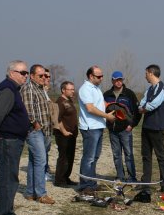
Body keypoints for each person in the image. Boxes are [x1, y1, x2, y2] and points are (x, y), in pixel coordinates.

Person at [0, 61, 31, 215]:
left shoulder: (13, 89)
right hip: (7, 141)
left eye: (26, 73)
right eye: (22, 72)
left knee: (10, 177)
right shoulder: (7, 89)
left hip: (11, 140)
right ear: (12, 73)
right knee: (7, 178)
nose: (25, 76)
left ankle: (7, 213)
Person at [77, 65, 116, 196]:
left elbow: (101, 104)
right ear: (90, 76)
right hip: (90, 128)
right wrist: (107, 116)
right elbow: (90, 108)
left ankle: (92, 184)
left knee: (95, 157)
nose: (101, 78)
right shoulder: (85, 89)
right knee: (88, 158)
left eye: (102, 76)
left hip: (98, 126)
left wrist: (116, 107)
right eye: (99, 76)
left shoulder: (96, 88)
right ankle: (85, 185)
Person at [20, 64, 55, 204]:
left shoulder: (40, 89)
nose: (43, 78)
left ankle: (30, 192)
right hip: (34, 131)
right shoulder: (28, 88)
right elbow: (27, 110)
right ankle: (41, 194)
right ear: (32, 76)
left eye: (45, 75)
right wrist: (35, 123)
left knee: (34, 161)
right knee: (41, 160)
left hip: (44, 130)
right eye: (40, 76)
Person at [103, 71, 142, 182]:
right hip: (113, 130)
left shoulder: (129, 94)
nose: (119, 82)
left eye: (120, 79)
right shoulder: (106, 95)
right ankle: (120, 176)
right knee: (116, 155)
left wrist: (132, 125)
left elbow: (137, 112)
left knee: (128, 154)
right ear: (112, 80)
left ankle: (132, 177)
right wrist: (108, 125)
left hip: (126, 130)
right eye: (116, 80)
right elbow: (102, 111)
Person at [138, 64, 164, 192]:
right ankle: (145, 183)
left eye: (146, 73)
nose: (145, 75)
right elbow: (142, 103)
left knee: (160, 156)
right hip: (146, 126)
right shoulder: (149, 89)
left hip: (157, 128)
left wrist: (144, 108)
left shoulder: (162, 87)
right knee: (146, 156)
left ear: (151, 73)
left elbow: (153, 104)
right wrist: (142, 107)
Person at [53, 81, 78, 186]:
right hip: (63, 135)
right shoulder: (60, 102)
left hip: (71, 134)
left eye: (73, 89)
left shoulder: (69, 101)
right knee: (63, 157)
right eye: (70, 89)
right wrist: (64, 131)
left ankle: (66, 177)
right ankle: (59, 180)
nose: (73, 91)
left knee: (70, 157)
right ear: (63, 90)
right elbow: (57, 119)